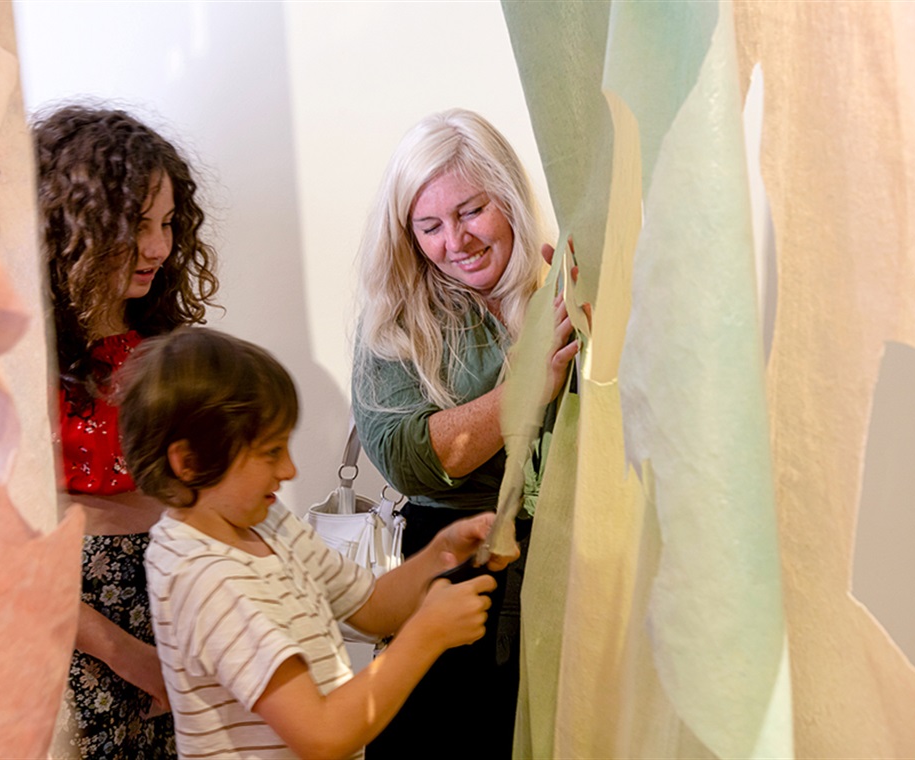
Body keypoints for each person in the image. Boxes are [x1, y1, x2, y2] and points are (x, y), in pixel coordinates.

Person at [117, 326, 512, 760]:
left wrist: (442, 552)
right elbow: (321, 735)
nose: (289, 469)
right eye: (270, 452)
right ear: (189, 462)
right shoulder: (206, 576)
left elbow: (372, 608)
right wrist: (425, 636)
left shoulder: (267, 523)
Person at [351, 108, 582, 758]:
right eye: (429, 225)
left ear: (508, 196)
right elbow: (412, 460)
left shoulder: (566, 286)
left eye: (472, 211)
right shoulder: (394, 323)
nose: (455, 241)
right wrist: (522, 394)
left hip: (570, 573)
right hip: (452, 573)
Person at [34, 103, 219, 759]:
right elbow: (12, 540)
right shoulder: (24, 357)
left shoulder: (166, 345)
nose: (160, 248)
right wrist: (128, 655)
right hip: (69, 628)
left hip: (177, 609)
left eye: (168, 224)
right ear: (73, 224)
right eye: (137, 226)